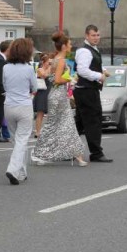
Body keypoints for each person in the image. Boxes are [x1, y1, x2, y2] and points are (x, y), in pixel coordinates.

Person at [32, 33, 87, 166]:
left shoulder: (55, 58)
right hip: (58, 96)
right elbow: (57, 80)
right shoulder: (60, 60)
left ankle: (77, 155)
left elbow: (49, 76)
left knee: (64, 124)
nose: (70, 46)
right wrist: (69, 78)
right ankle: (39, 153)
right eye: (69, 44)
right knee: (58, 124)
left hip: (56, 95)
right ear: (63, 46)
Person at [73, 25, 111, 162]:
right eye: (93, 35)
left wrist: (103, 70)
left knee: (80, 122)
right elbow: (82, 70)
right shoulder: (84, 51)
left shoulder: (91, 50)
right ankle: (96, 153)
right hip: (86, 90)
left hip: (86, 90)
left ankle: (66, 148)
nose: (96, 38)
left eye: (98, 35)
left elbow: (93, 64)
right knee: (93, 121)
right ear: (86, 36)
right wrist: (99, 76)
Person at [3, 38, 37, 185]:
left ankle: (21, 172)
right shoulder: (29, 69)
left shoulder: (6, 67)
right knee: (22, 140)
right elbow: (34, 87)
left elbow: (5, 85)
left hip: (9, 105)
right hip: (24, 105)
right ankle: (13, 168)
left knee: (16, 140)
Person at [33, 53, 52, 138]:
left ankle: (49, 131)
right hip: (42, 92)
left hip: (50, 91)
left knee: (51, 113)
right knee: (40, 113)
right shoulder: (40, 69)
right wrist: (50, 68)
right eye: (48, 62)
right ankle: (37, 131)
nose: (49, 63)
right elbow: (44, 75)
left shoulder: (50, 69)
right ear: (44, 62)